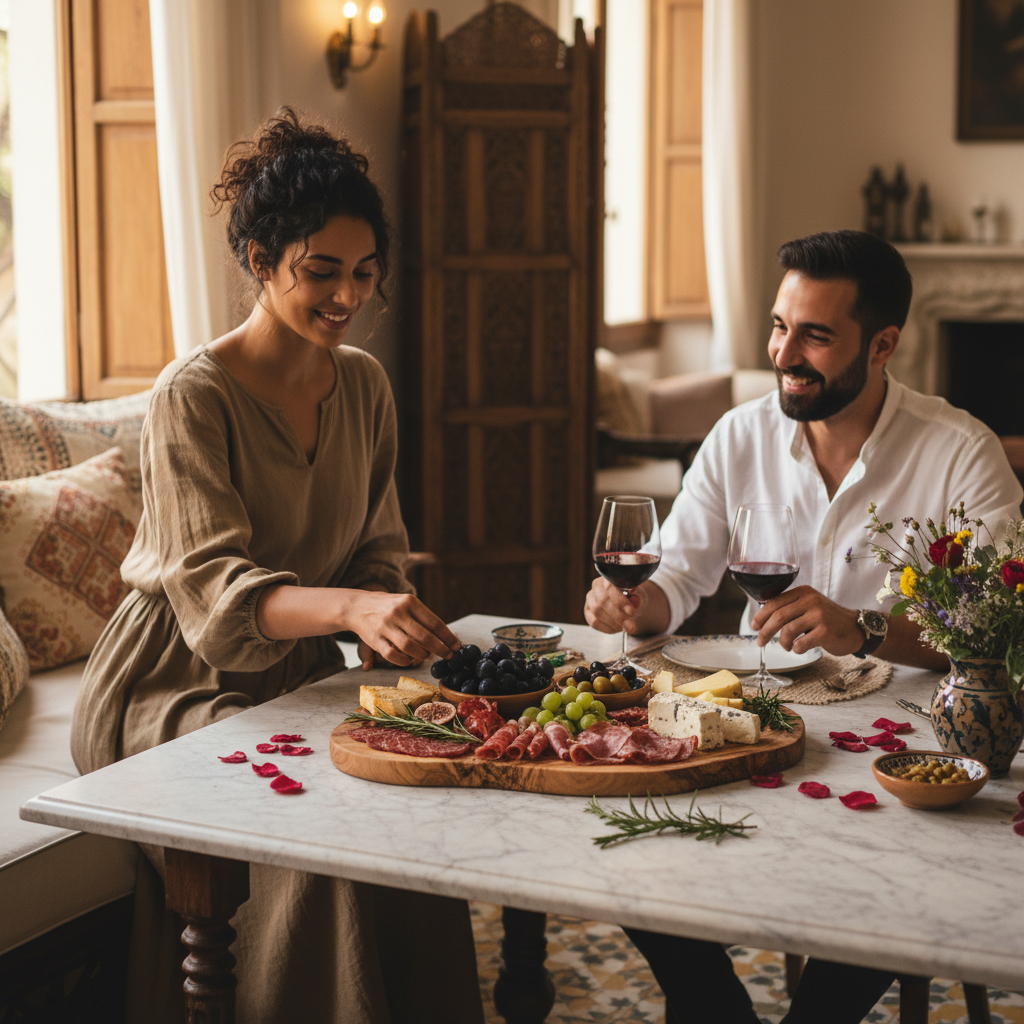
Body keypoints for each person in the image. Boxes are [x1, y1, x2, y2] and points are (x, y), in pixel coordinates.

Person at [71, 109, 484, 1024]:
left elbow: (379, 549)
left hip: (291, 675)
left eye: (365, 273)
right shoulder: (194, 394)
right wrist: (351, 610)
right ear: (261, 261)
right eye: (321, 271)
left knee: (412, 805)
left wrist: (391, 617)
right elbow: (216, 601)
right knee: (312, 835)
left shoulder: (365, 384)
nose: (348, 296)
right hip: (170, 685)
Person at [584, 229, 1023, 1024]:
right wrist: (629, 604)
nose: (786, 351)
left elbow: (997, 641)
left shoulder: (961, 453)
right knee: (626, 834)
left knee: (896, 864)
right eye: (781, 326)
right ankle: (715, 1005)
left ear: (882, 344)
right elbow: (677, 577)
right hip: (771, 731)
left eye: (815, 336)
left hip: (906, 750)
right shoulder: (739, 435)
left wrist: (863, 628)